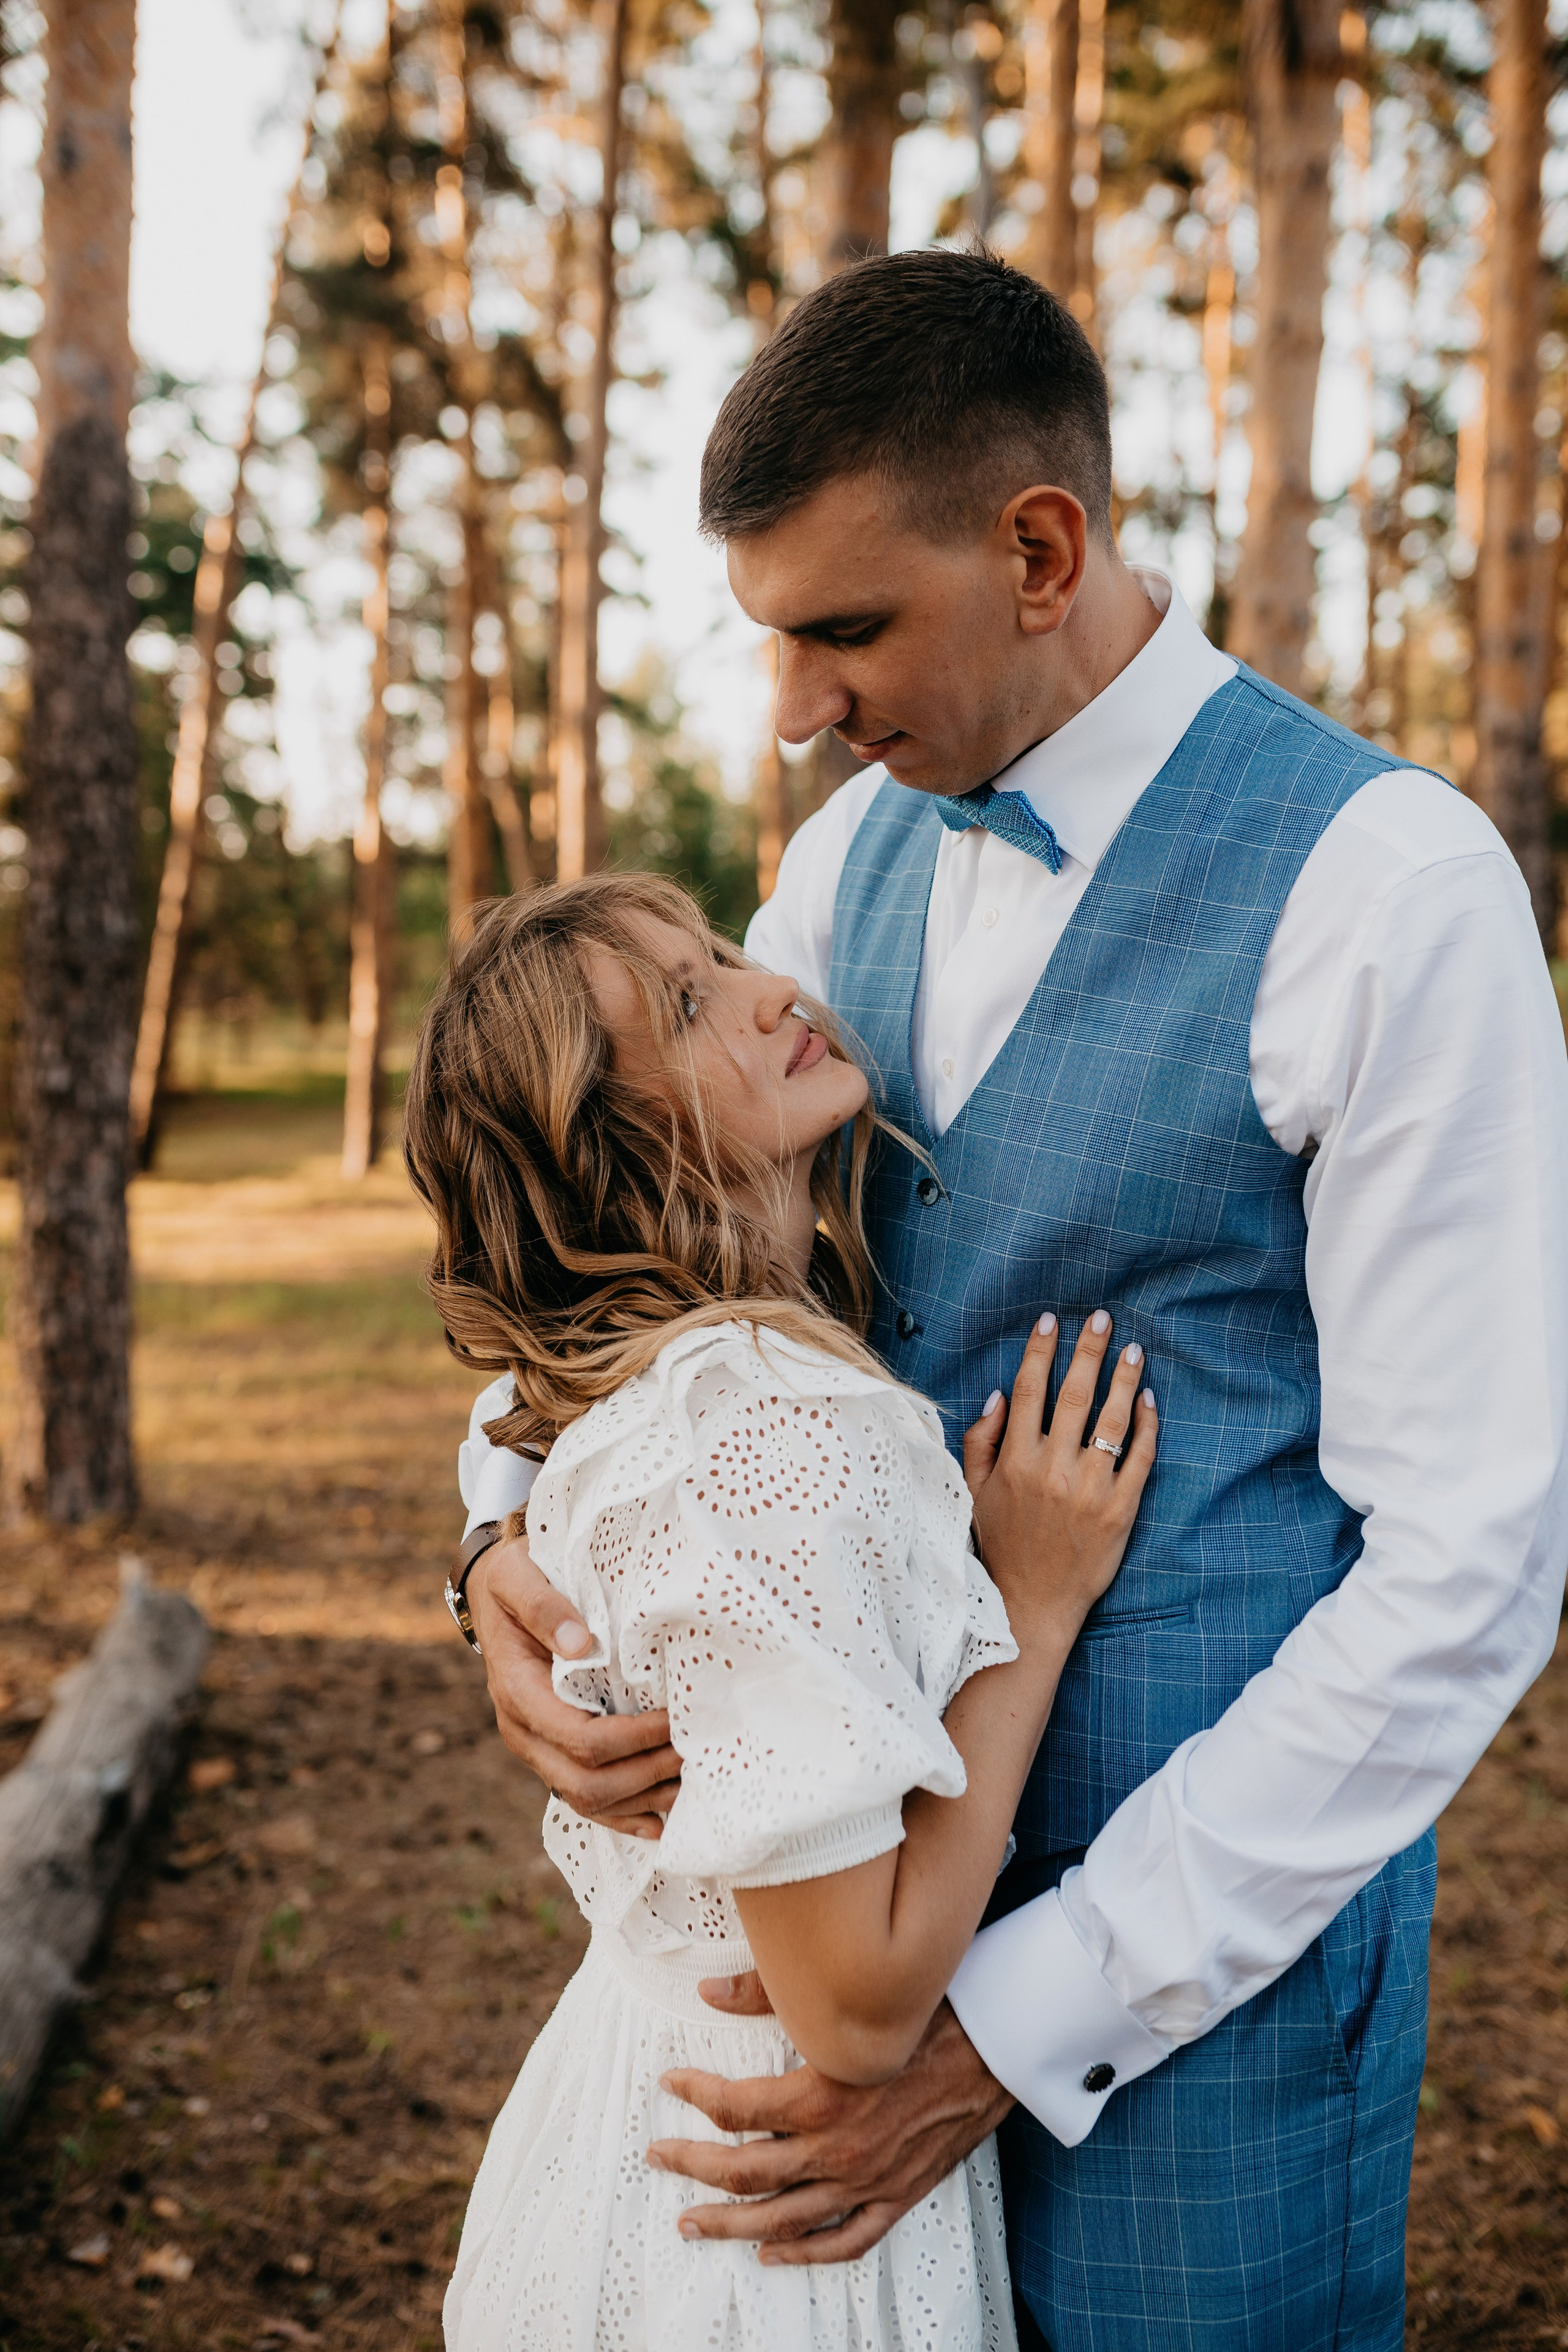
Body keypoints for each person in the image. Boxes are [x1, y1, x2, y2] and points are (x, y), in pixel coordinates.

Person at [453, 250, 1568, 2350]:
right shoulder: (825, 885)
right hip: (830, 1947)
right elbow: (653, 1272)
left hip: (1195, 2008)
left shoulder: (1391, 896)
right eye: (773, 638)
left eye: (844, 630)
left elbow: (1471, 1575)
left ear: (1041, 547)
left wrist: (1001, 2025)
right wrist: (498, 1539)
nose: (796, 711)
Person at [410, 875, 1159, 2352]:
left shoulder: (647, 1397)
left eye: (724, 957)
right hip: (762, 2218)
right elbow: (858, 2011)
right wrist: (1036, 1595)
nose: (773, 991)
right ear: (614, 1155)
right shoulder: (776, 1434)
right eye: (692, 1007)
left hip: (636, 2134)